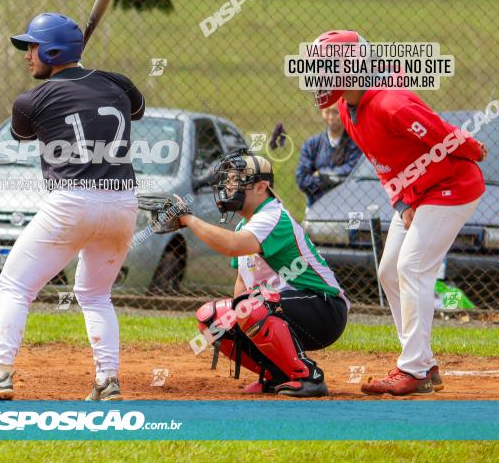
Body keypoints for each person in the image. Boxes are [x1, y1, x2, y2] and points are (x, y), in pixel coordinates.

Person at [0, 12, 145, 401]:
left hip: (73, 200)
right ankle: (107, 382)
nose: (27, 55)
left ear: (54, 50)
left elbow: (23, 132)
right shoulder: (118, 83)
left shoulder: (31, 100)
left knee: (15, 285)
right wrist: (92, 80)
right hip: (123, 204)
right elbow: (135, 108)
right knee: (95, 295)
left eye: (33, 47)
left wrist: (73, 85)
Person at [311, 29, 487, 396]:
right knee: (390, 269)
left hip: (452, 185)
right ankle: (422, 362)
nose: (322, 75)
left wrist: (472, 148)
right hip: (417, 193)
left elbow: (440, 133)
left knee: (412, 266)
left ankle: (413, 369)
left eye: (329, 66)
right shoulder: (346, 109)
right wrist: (403, 202)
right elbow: (382, 163)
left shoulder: (391, 104)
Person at [160, 151, 349, 397]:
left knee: (252, 305)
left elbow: (231, 244)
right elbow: (242, 284)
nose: (228, 186)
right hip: (282, 311)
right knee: (213, 318)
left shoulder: (273, 217)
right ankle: (278, 374)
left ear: (261, 187)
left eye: (236, 180)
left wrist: (188, 219)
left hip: (324, 309)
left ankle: (308, 377)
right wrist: (238, 326)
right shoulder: (245, 225)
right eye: (227, 180)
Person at [295, 103, 362, 208]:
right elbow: (301, 179)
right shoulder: (311, 144)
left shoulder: (355, 143)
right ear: (322, 112)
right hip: (316, 206)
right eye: (327, 112)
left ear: (344, 111)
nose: (331, 117)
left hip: (348, 206)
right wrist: (334, 179)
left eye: (335, 112)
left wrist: (320, 175)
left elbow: (353, 174)